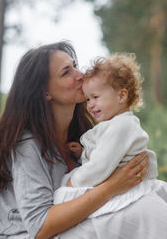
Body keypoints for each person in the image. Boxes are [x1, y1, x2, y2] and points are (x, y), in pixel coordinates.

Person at [0, 41, 167, 239]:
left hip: (70, 227)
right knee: (144, 210)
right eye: (66, 72)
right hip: (25, 235)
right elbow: (40, 228)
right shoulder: (28, 146)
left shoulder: (83, 134)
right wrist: (112, 187)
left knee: (156, 195)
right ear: (45, 92)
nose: (80, 74)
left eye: (75, 66)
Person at [53, 53, 158, 216]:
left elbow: (100, 167)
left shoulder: (122, 126)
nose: (90, 105)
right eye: (88, 99)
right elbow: (106, 155)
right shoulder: (115, 124)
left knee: (60, 195)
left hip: (126, 190)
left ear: (121, 96)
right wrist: (83, 153)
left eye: (95, 97)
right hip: (114, 183)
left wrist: (71, 183)